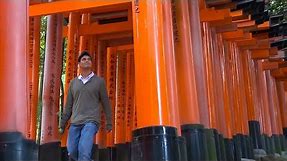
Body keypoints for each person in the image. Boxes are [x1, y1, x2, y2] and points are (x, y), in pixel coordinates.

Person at [59, 51, 112, 161]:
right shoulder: (73, 83)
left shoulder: (99, 82)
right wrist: (62, 123)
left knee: (84, 150)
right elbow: (68, 105)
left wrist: (109, 122)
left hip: (91, 121)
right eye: (83, 59)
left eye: (89, 59)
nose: (86, 60)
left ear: (91, 63)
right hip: (75, 122)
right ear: (79, 64)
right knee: (72, 151)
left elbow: (106, 103)